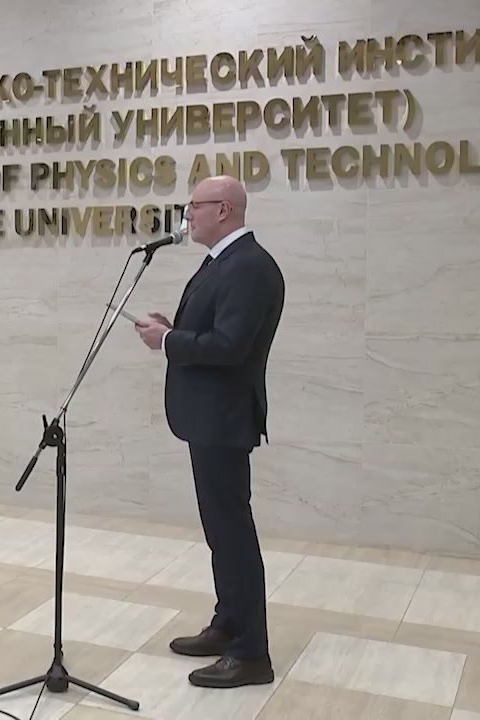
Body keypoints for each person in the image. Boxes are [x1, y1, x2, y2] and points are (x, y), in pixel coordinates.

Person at [134, 175, 285, 690]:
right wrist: (173, 330)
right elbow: (213, 331)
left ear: (223, 209)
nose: (186, 215)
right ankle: (228, 624)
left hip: (224, 418)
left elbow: (230, 347)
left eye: (193, 206)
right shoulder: (222, 262)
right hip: (207, 416)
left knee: (233, 534)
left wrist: (168, 341)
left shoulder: (249, 267)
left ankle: (251, 653)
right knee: (220, 532)